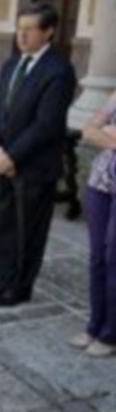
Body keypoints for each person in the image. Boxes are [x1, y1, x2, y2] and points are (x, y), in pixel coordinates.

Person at [0, 2, 76, 307]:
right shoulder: (12, 64)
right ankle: (3, 279)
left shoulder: (59, 70)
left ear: (48, 31)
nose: (21, 36)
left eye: (29, 29)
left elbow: (47, 124)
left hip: (33, 166)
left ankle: (20, 287)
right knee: (2, 224)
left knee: (28, 230)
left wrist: (12, 156)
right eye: (18, 29)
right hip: (3, 160)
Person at [69, 91, 116, 357]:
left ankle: (111, 332)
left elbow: (99, 132)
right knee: (97, 255)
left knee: (114, 257)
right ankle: (94, 325)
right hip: (101, 182)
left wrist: (106, 133)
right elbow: (88, 131)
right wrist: (106, 133)